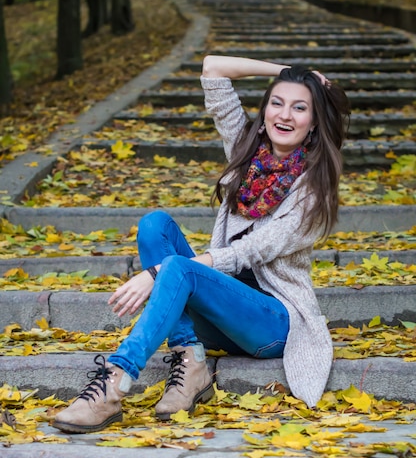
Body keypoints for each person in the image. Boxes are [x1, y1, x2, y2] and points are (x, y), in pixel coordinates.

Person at [53, 55, 350, 434]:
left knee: (178, 266)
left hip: (271, 324)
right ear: (264, 112)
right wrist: (289, 73)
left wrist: (158, 271)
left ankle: (114, 384)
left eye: (299, 107)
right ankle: (192, 362)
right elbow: (213, 68)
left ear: (313, 124)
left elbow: (252, 251)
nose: (285, 115)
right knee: (154, 225)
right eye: (277, 102)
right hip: (217, 314)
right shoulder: (246, 154)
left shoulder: (313, 188)